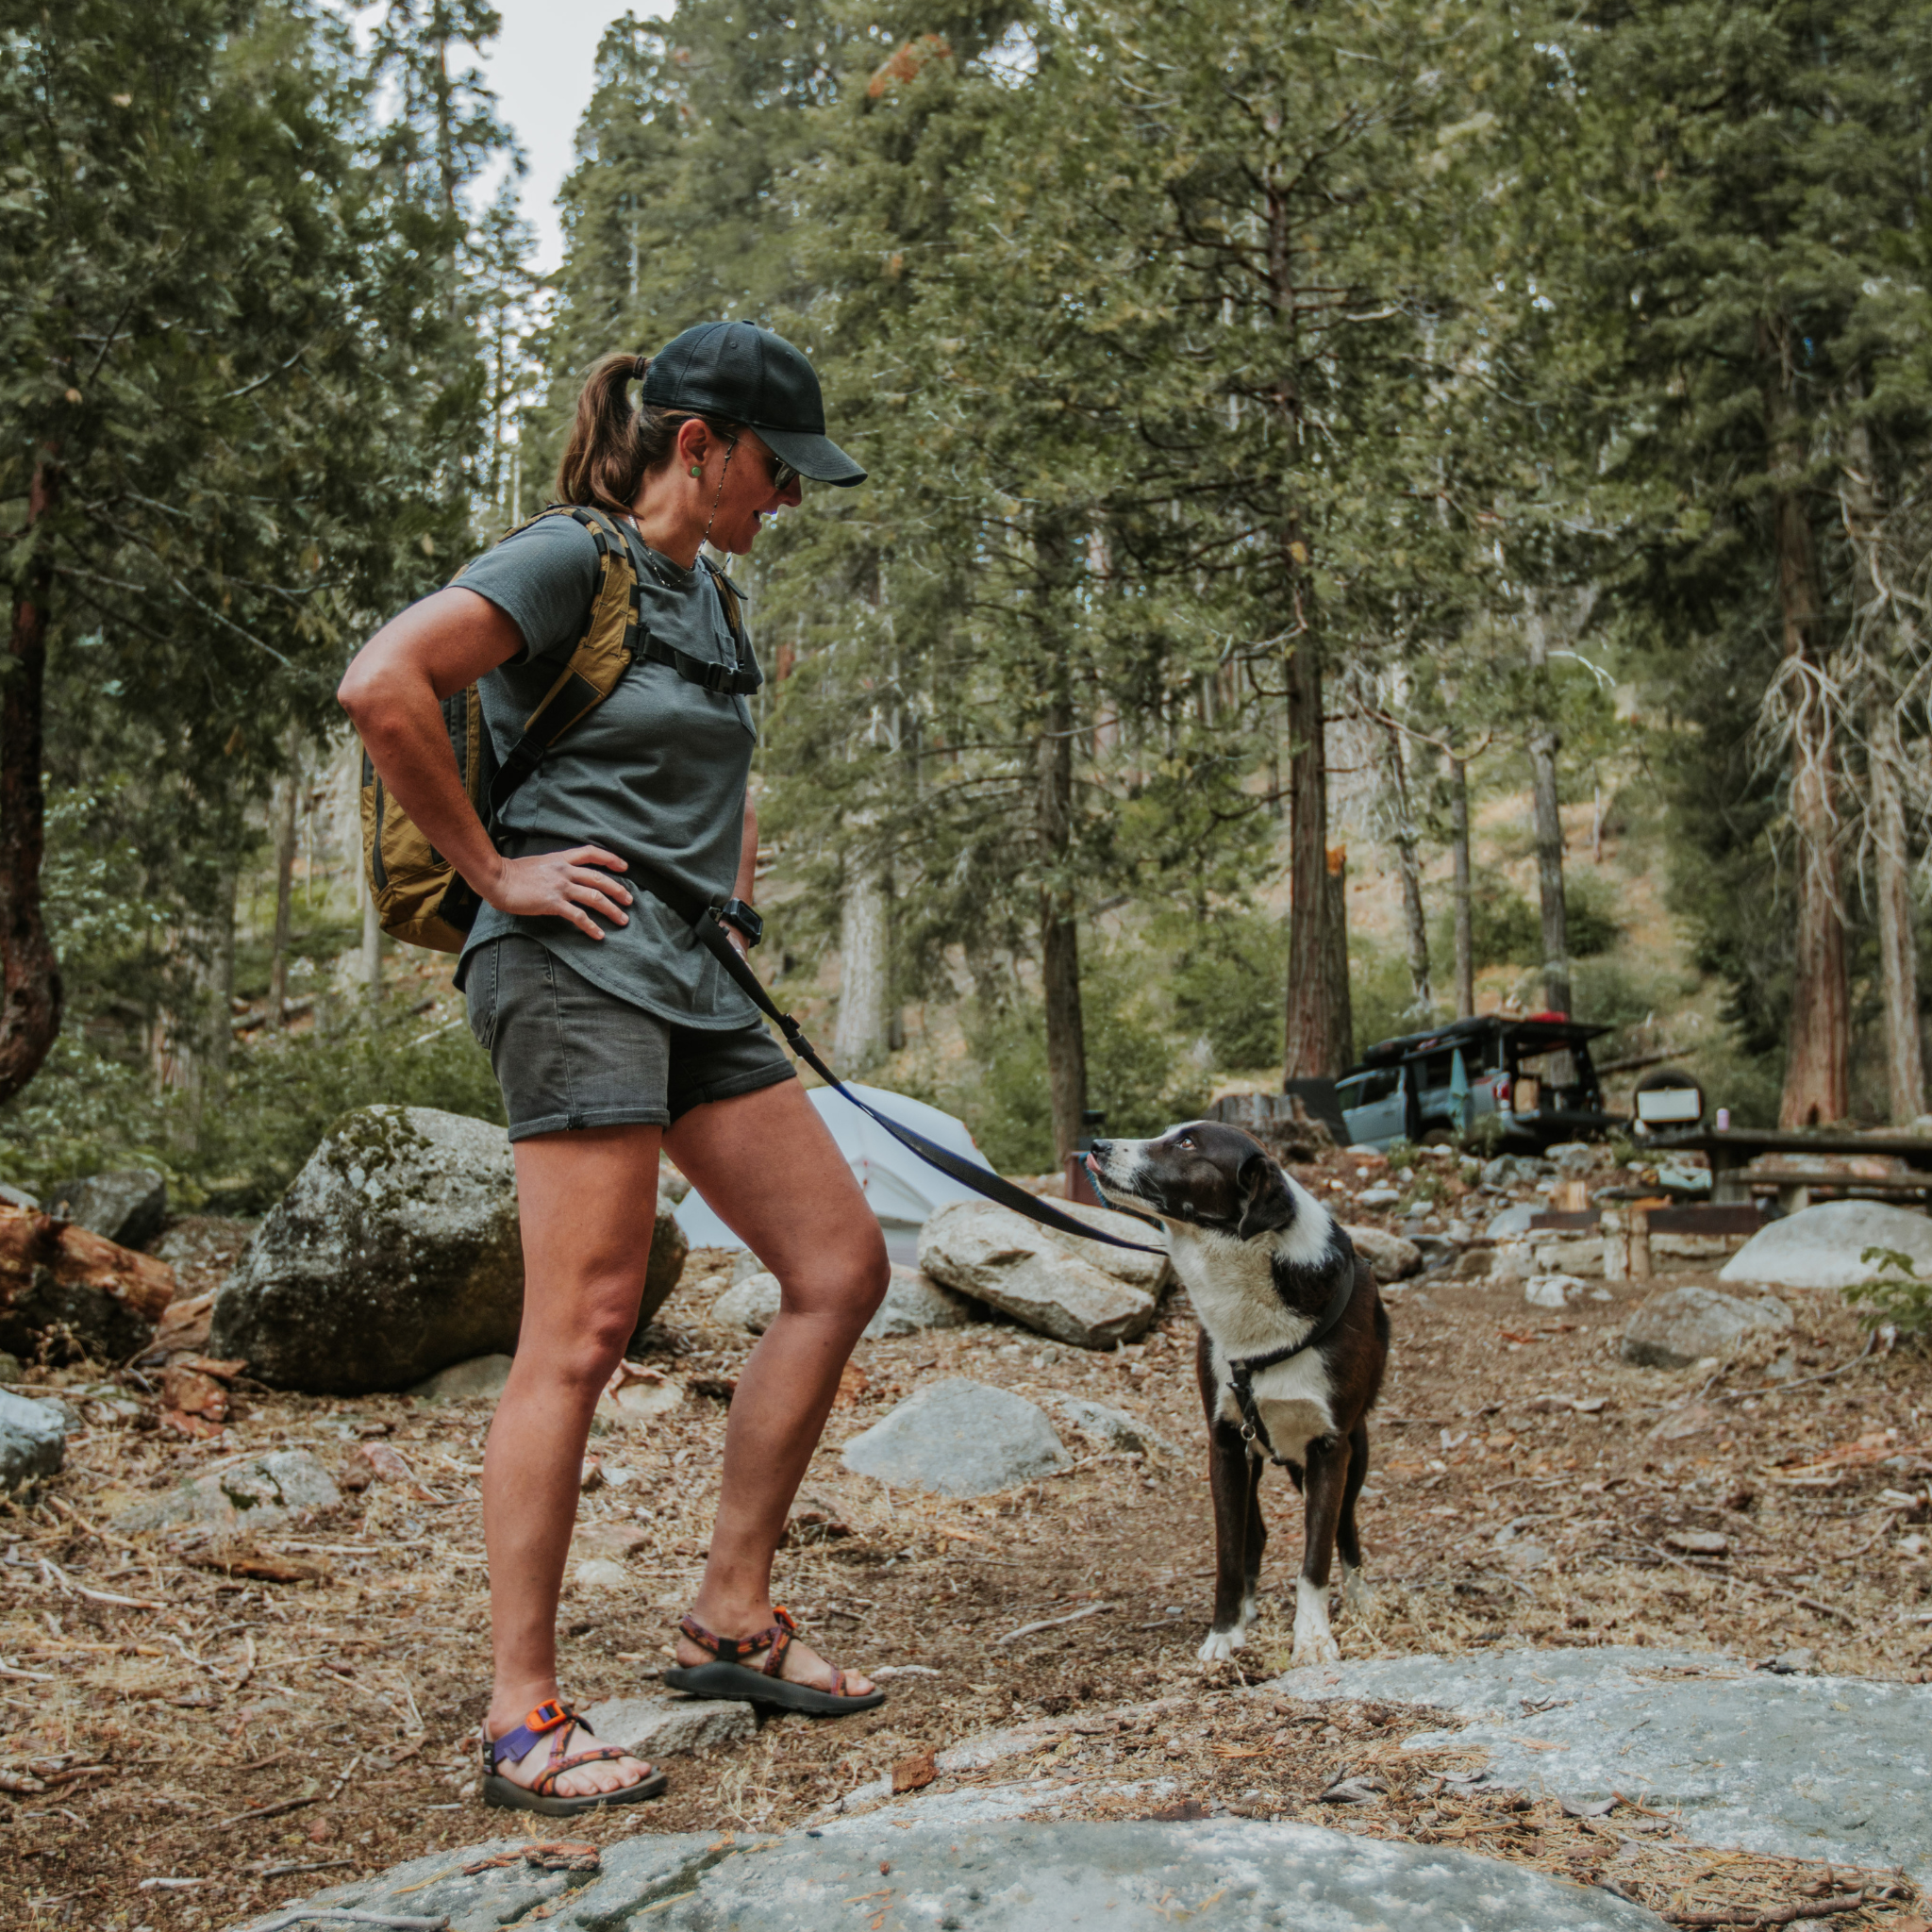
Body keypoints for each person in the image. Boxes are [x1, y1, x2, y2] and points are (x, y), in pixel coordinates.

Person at [339, 322, 891, 1816]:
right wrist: (494, 872)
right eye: (779, 472)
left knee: (839, 1266)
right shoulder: (565, 560)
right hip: (571, 964)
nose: (790, 502)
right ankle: (522, 1713)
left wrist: (730, 886)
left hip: (692, 972)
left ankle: (730, 1612)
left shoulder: (712, 595)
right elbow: (384, 683)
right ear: (699, 443)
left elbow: (710, 776)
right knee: (580, 1329)